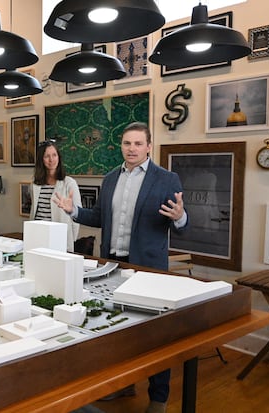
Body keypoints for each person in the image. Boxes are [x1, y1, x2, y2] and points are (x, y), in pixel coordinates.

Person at [54, 122, 188, 413]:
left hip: (149, 270)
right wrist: (73, 211)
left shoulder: (167, 179)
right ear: (121, 146)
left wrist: (179, 216)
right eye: (127, 143)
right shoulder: (111, 178)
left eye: (138, 144)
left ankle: (159, 398)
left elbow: (181, 225)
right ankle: (123, 384)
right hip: (113, 267)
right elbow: (101, 217)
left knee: (154, 336)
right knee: (116, 332)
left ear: (149, 146)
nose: (132, 149)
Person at [30, 140, 81, 252]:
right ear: (41, 160)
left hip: (60, 239)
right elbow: (34, 212)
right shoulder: (35, 183)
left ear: (59, 157)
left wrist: (71, 240)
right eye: (47, 156)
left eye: (54, 155)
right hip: (37, 237)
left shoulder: (69, 183)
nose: (51, 159)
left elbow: (77, 216)